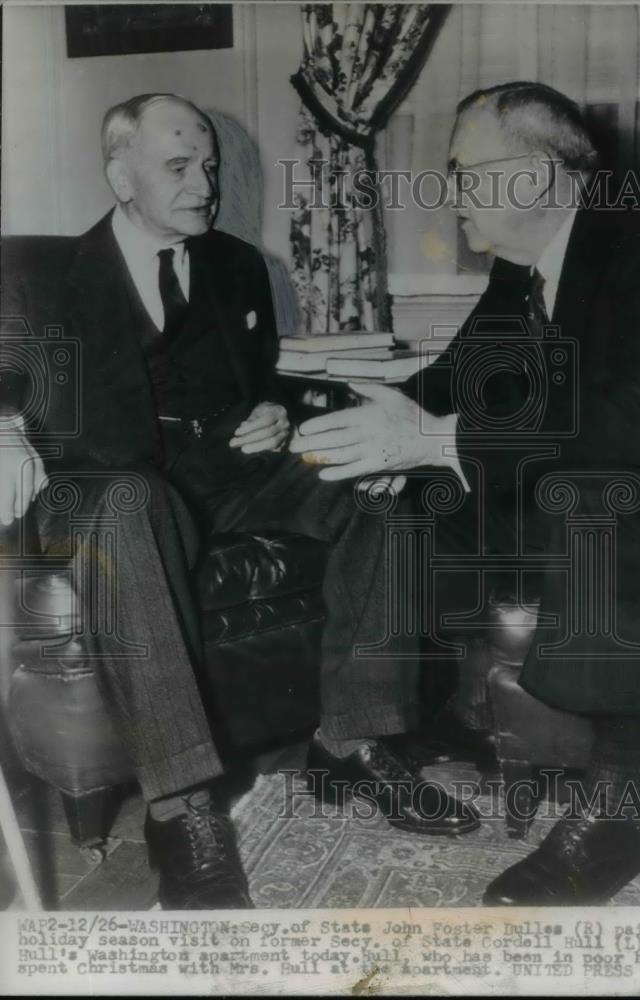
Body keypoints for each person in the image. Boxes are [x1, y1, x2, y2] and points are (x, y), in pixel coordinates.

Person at [293, 81, 640, 904]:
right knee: (395, 495)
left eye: (463, 171)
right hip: (599, 497)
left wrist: (433, 439)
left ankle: (621, 804)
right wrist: (346, 426)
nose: (447, 193)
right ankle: (353, 734)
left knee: (589, 500)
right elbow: (452, 386)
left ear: (538, 176)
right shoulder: (521, 272)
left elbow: (637, 428)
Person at [0, 93, 479, 910]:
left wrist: (273, 413)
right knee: (129, 499)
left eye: (209, 166)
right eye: (178, 167)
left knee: (375, 480)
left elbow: (261, 384)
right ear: (121, 176)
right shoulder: (42, 280)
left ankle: (352, 742)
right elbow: (35, 400)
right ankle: (181, 809)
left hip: (225, 476)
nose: (203, 185)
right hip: (102, 488)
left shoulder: (236, 264)